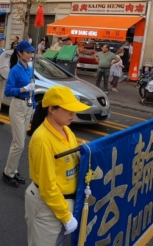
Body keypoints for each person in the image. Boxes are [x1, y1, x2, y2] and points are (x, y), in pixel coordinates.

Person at [25, 85, 91, 246]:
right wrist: (66, 216)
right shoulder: (42, 140)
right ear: (51, 109)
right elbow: (47, 187)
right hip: (47, 206)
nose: (73, 114)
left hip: (65, 203)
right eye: (68, 110)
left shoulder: (67, 131)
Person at [2, 40, 35, 187]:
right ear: (20, 53)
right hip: (17, 106)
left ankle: (13, 170)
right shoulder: (15, 70)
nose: (30, 54)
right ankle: (8, 173)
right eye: (27, 52)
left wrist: (33, 104)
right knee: (19, 144)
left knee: (20, 141)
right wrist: (22, 89)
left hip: (27, 106)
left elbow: (32, 86)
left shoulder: (29, 67)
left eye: (31, 52)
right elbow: (8, 91)